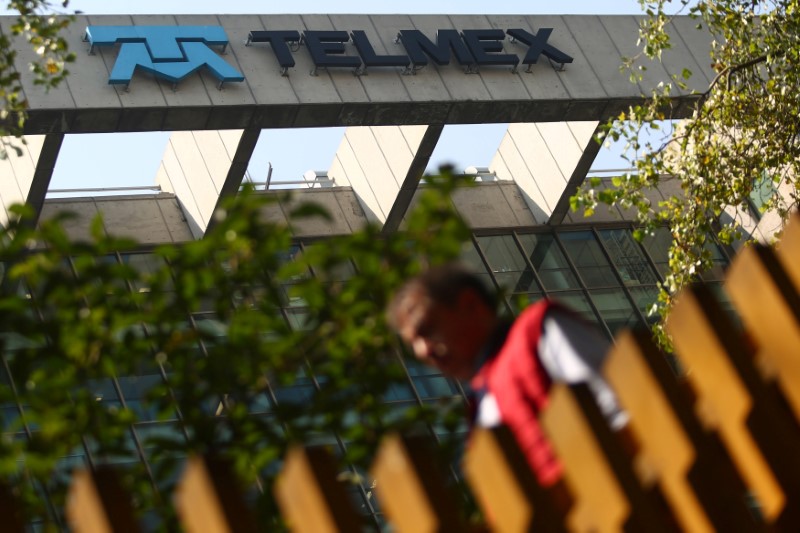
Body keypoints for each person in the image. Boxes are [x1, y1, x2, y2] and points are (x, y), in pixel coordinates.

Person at [386, 263, 626, 489]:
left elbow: (621, 409)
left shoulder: (538, 332)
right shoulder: (478, 416)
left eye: (427, 329)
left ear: (471, 304)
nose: (423, 351)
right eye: (413, 345)